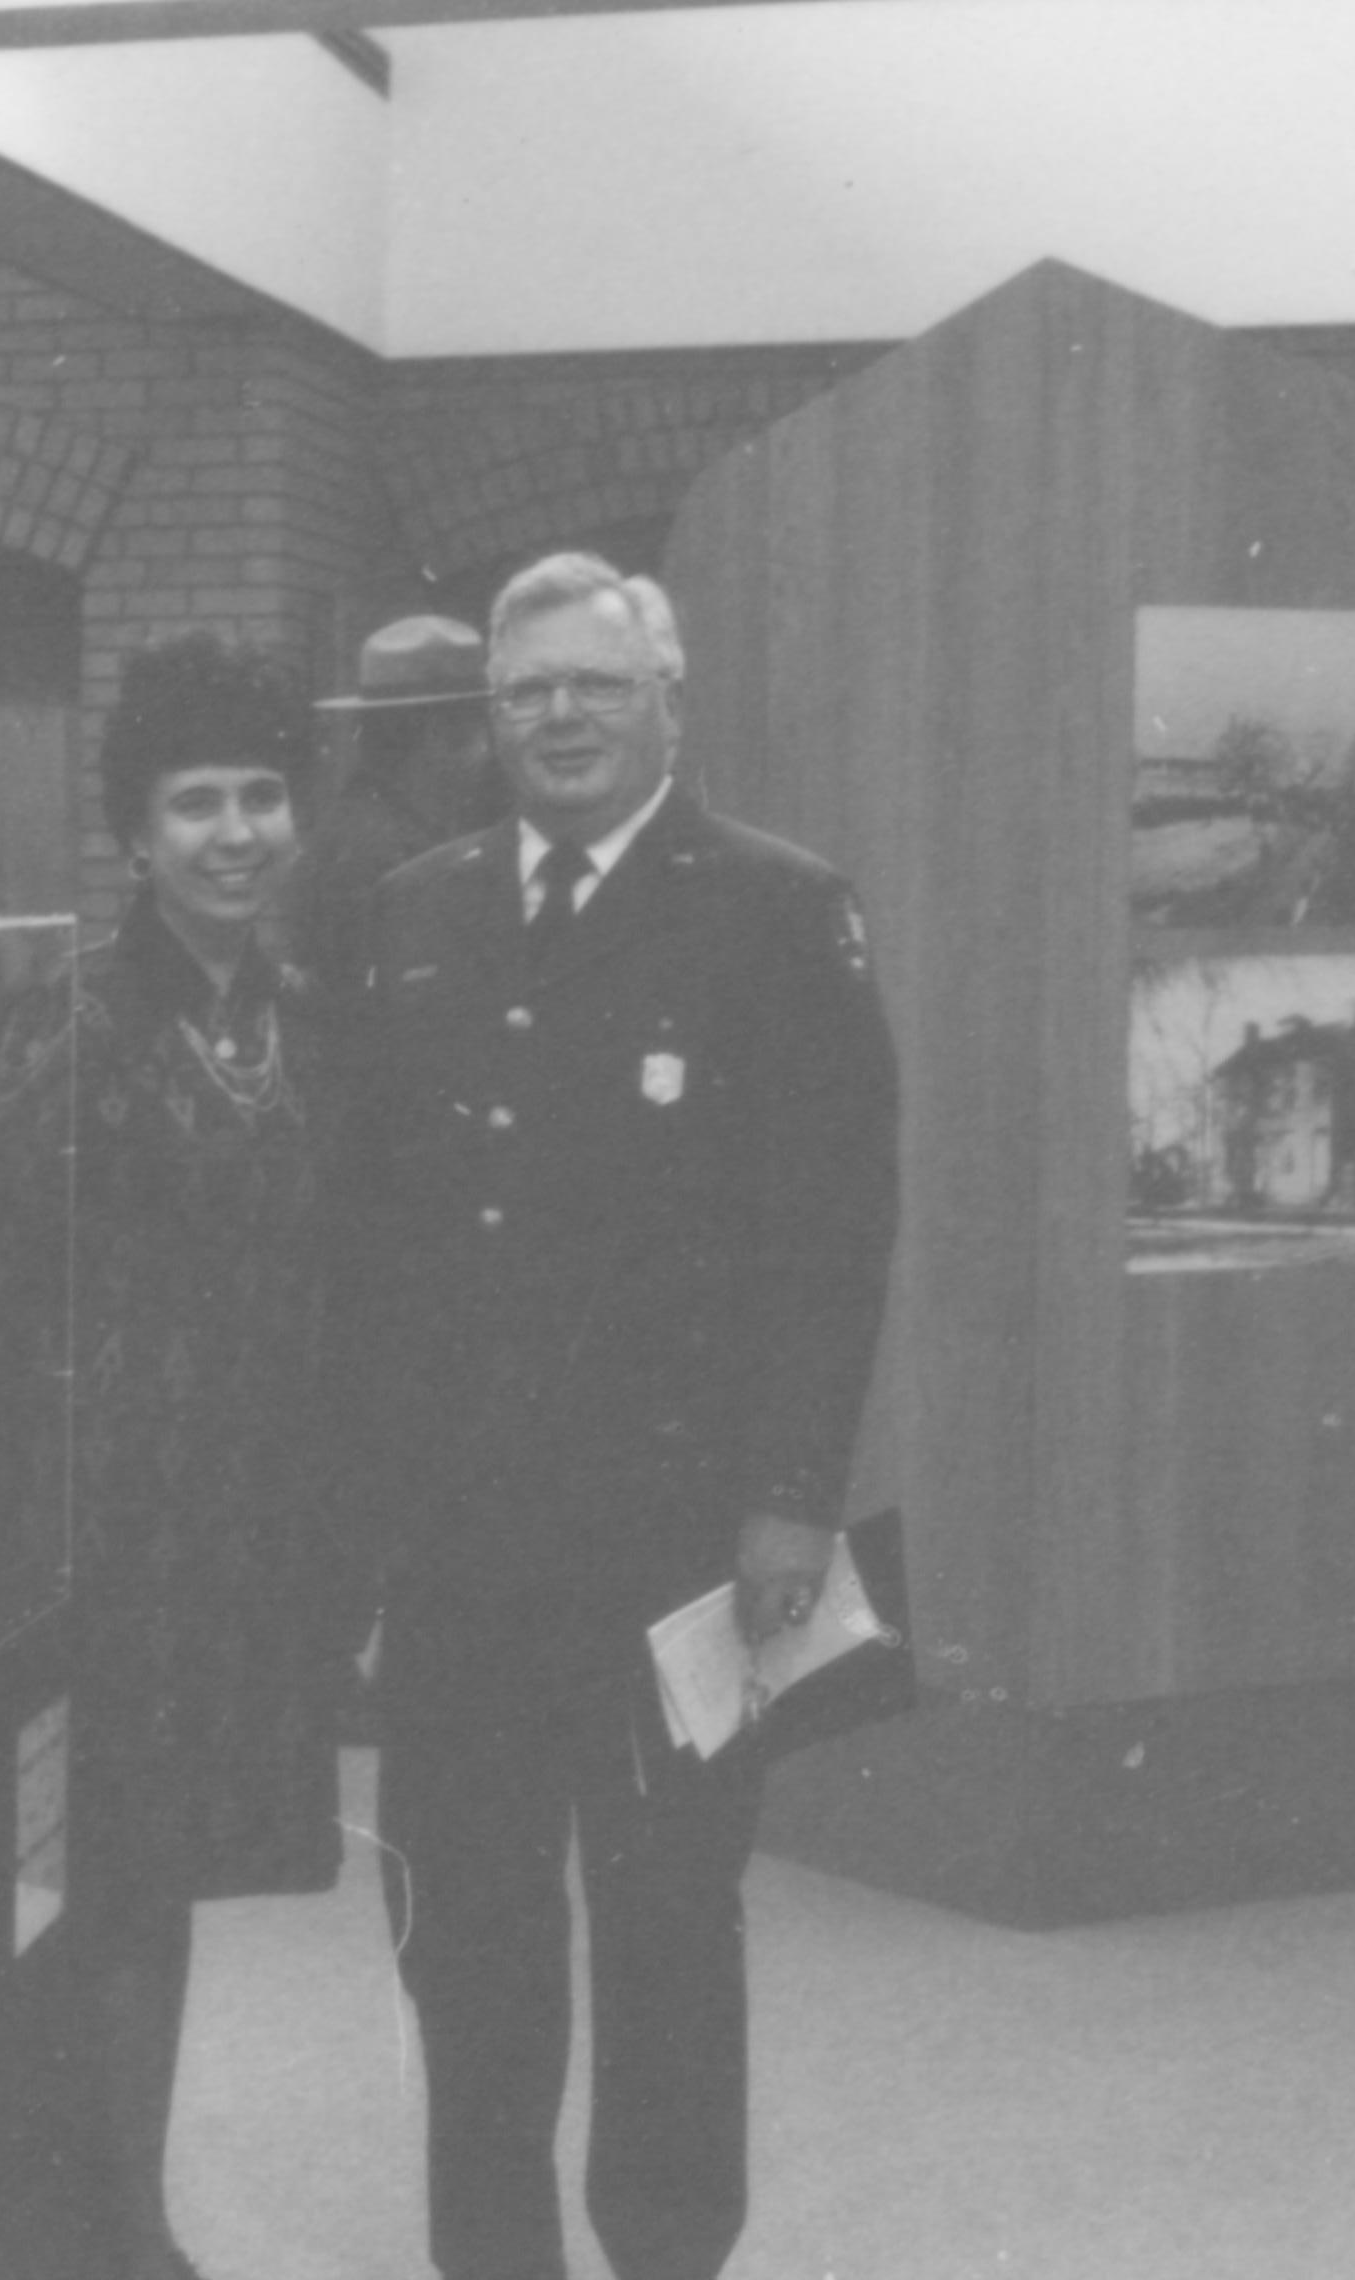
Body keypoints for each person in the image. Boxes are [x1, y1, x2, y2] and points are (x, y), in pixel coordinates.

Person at [327, 552, 899, 2280]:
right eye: (526, 695)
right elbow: (372, 1236)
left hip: (674, 1536)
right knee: (467, 1937)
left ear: (669, 702)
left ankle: (666, 2251)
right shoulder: (415, 910)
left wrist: (793, 1495)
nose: (558, 719)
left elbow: (831, 1232)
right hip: (460, 1549)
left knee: (665, 1924)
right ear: (486, 719)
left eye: (593, 685)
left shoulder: (777, 907)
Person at [0, 634, 350, 2280]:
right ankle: (92, 2234)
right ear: (137, 832)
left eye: (262, 795)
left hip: (237, 1538)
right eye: (196, 802)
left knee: (159, 1887)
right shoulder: (73, 1025)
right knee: (85, 1891)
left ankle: (122, 2215)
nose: (235, 830)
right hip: (93, 1542)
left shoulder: (311, 1020)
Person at [283, 613, 502, 992]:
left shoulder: (367, 822)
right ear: (440, 736)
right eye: (481, 728)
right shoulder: (384, 855)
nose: (490, 750)